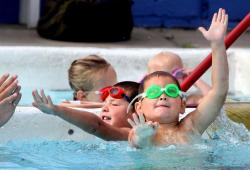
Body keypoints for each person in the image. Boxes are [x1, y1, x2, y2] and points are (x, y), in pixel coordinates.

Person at [128, 8, 228, 148]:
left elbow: (219, 92)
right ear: (139, 107)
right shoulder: (140, 133)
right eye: (154, 92)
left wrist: (217, 45)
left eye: (171, 91)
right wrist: (141, 139)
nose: (163, 96)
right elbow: (136, 147)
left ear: (182, 105)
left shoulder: (191, 126)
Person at [32, 81, 139, 141]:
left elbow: (97, 126)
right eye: (104, 104)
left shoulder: (132, 134)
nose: (104, 108)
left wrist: (57, 110)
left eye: (114, 104)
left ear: (136, 111)